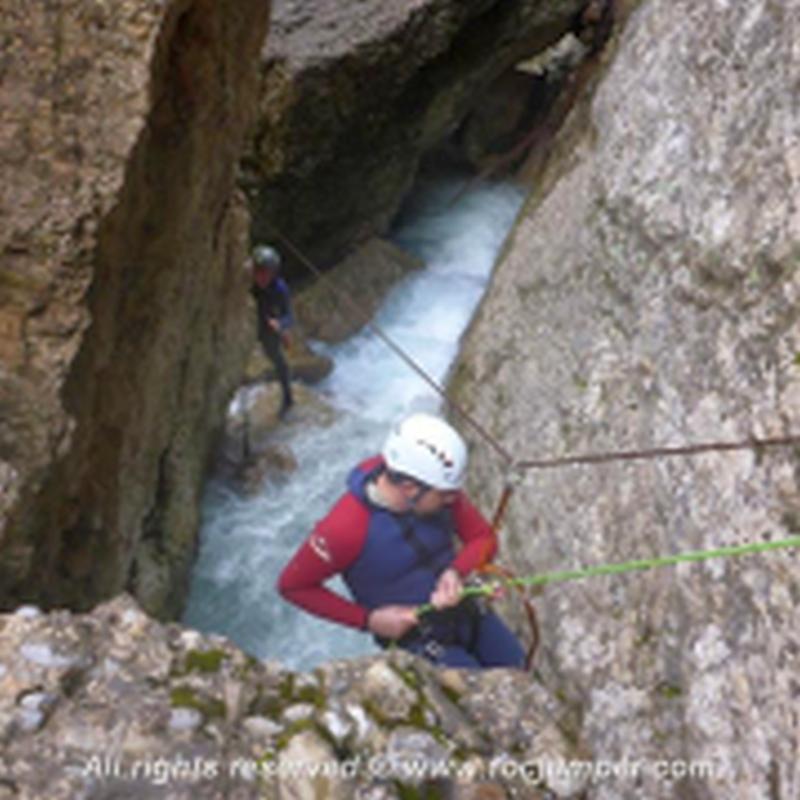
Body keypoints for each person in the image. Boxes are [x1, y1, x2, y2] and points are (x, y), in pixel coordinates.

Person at [277, 412, 526, 668]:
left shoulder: (432, 486)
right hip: (415, 640)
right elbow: (293, 586)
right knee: (478, 698)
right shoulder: (344, 529)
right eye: (446, 495)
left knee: (519, 673)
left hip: (467, 612)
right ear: (409, 488)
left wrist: (456, 572)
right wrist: (369, 620)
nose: (455, 500)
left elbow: (482, 537)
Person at [250, 244, 294, 417]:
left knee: (277, 358)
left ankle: (287, 397)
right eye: (258, 271)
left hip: (267, 325)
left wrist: (280, 325)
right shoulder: (248, 281)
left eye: (265, 272)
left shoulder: (279, 289)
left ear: (273, 273)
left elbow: (289, 315)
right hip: (251, 320)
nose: (261, 276)